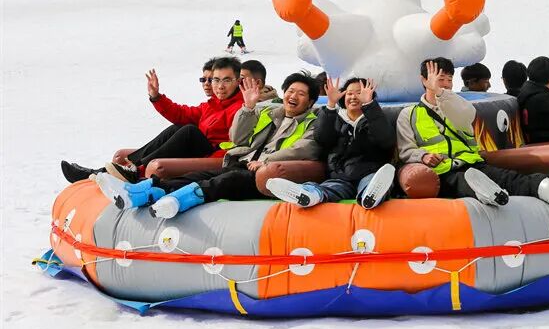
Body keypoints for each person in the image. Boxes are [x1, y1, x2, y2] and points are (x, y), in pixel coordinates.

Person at [93, 72, 323, 218]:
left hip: (262, 172)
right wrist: (248, 108)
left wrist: (265, 162)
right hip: (241, 161)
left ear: (311, 101)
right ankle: (144, 192)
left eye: (301, 94)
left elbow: (303, 149)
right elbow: (239, 138)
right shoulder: (268, 112)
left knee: (225, 180)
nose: (293, 96)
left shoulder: (313, 122)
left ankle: (177, 200)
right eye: (290, 91)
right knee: (197, 175)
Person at [396, 58, 549, 209]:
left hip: (473, 164)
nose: (444, 85)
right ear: (424, 80)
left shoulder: (455, 105)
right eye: (439, 79)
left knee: (508, 178)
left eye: (449, 80)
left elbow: (468, 115)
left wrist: (441, 94)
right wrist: (424, 156)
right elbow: (406, 151)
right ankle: (491, 193)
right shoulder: (408, 115)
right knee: (462, 181)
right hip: (444, 172)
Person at [60, 58, 245, 183]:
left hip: (216, 157)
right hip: (201, 150)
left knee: (189, 130)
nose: (219, 86)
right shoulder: (211, 105)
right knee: (179, 126)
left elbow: (240, 142)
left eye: (226, 80)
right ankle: (115, 170)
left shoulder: (242, 108)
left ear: (238, 81)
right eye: (216, 80)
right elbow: (180, 113)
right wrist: (156, 96)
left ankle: (134, 170)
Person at [267, 77, 396, 209]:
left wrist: (369, 105)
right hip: (340, 175)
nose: (353, 97)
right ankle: (308, 194)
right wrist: (330, 105)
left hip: (370, 173)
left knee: (373, 183)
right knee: (328, 188)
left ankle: (370, 196)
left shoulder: (377, 118)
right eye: (349, 93)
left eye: (359, 93)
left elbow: (386, 140)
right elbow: (322, 139)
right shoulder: (334, 117)